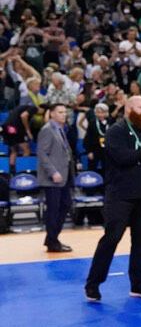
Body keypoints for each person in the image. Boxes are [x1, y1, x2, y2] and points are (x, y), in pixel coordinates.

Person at [84, 96, 141, 301]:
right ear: (128, 109)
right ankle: (93, 283)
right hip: (121, 195)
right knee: (111, 239)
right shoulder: (116, 131)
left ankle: (138, 284)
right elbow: (122, 159)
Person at [37, 104, 74, 252]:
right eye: (60, 112)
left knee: (65, 205)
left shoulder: (59, 129)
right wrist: (53, 172)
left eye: (65, 112)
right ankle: (52, 242)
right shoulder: (47, 130)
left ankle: (52, 238)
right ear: (51, 114)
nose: (64, 115)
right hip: (53, 178)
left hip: (64, 176)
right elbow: (42, 153)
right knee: (54, 209)